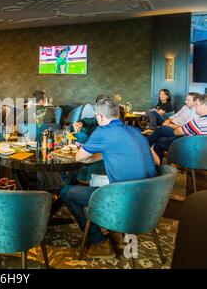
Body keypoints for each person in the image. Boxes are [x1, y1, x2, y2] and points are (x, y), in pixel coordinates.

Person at [60, 98, 157, 259]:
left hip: (124, 200)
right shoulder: (135, 131)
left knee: (66, 192)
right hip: (151, 200)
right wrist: (105, 154)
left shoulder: (103, 132)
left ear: (99, 117)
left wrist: (98, 154)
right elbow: (157, 161)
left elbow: (79, 157)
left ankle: (100, 243)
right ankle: (116, 232)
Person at [148, 93, 201, 161]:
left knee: (162, 129)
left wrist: (169, 125)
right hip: (172, 124)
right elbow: (175, 115)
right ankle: (156, 164)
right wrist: (168, 121)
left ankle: (145, 144)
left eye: (188, 100)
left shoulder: (195, 112)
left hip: (178, 129)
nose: (185, 101)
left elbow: (184, 127)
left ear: (195, 102)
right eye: (186, 99)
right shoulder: (185, 107)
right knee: (159, 139)